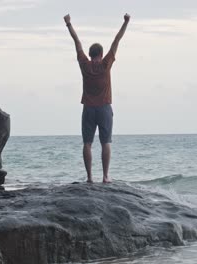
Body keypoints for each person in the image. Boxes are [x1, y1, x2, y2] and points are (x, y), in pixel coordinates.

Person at [64, 13, 130, 183]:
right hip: (104, 108)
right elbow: (116, 40)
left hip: (88, 108)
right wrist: (126, 22)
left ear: (90, 54)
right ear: (101, 54)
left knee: (87, 143)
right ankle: (106, 176)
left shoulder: (84, 65)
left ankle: (89, 178)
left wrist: (69, 24)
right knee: (105, 143)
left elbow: (76, 42)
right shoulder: (105, 64)